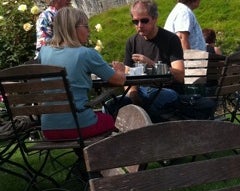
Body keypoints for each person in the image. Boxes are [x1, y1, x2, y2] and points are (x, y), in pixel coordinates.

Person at [37, 7, 126, 140]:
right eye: (86, 26)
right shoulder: (86, 53)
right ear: (74, 28)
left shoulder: (44, 52)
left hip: (49, 128)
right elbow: (119, 81)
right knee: (113, 119)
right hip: (79, 125)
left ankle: (84, 155)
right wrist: (120, 69)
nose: (89, 31)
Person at [124, 0, 186, 122]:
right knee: (112, 106)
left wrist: (152, 64)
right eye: (135, 21)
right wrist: (133, 92)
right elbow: (127, 75)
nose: (140, 25)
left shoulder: (170, 39)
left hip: (168, 90)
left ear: (155, 18)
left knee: (151, 103)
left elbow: (180, 75)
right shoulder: (132, 42)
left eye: (144, 20)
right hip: (141, 90)